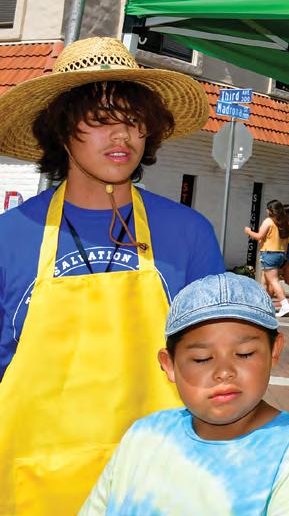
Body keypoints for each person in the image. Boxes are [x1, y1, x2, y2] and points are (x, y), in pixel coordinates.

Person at [0, 36, 224, 514]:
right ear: (62, 130)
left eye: (134, 121)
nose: (122, 136)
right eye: (101, 121)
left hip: (159, 482)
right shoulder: (10, 236)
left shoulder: (188, 233)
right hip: (35, 482)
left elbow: (215, 368)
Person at [81, 272, 289, 514]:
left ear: (274, 351)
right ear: (169, 365)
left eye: (245, 354)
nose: (224, 372)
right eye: (201, 359)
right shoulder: (141, 437)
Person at [244, 199, 289, 317]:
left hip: (269, 254)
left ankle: (285, 304)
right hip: (280, 254)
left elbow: (259, 236)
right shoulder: (285, 223)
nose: (266, 211)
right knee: (264, 281)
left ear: (271, 211)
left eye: (267, 209)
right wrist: (284, 255)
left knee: (273, 281)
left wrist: (248, 231)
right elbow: (286, 241)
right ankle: (264, 305)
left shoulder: (268, 221)